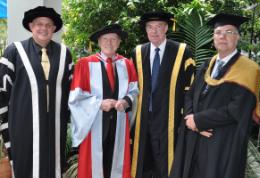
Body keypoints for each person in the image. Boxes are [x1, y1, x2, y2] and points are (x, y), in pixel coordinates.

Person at [169, 13, 260, 178]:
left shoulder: (249, 69)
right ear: (213, 37)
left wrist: (199, 121)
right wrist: (191, 119)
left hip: (221, 141)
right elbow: (190, 94)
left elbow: (237, 109)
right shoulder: (208, 64)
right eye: (218, 32)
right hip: (194, 137)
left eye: (229, 32)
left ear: (238, 37)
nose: (223, 37)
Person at [0, 6, 73, 178]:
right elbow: (2, 92)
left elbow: (71, 92)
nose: (44, 28)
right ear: (31, 26)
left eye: (49, 25)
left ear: (54, 29)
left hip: (55, 128)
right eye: (39, 24)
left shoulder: (65, 54)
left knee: (53, 169)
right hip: (24, 127)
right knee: (26, 168)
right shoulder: (14, 52)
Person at [69, 24, 139, 178]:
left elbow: (134, 90)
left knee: (116, 166)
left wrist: (126, 101)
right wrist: (98, 104)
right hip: (94, 124)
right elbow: (75, 97)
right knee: (93, 169)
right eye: (105, 39)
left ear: (119, 42)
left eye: (113, 39)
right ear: (99, 42)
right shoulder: (85, 64)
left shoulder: (127, 64)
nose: (109, 43)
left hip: (119, 124)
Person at [131, 12, 195, 178]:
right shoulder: (138, 52)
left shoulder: (182, 51)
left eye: (159, 27)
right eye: (150, 27)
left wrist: (187, 116)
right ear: (145, 30)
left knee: (166, 164)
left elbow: (191, 88)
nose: (155, 31)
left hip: (170, 118)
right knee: (142, 161)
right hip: (143, 118)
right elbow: (130, 87)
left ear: (167, 28)